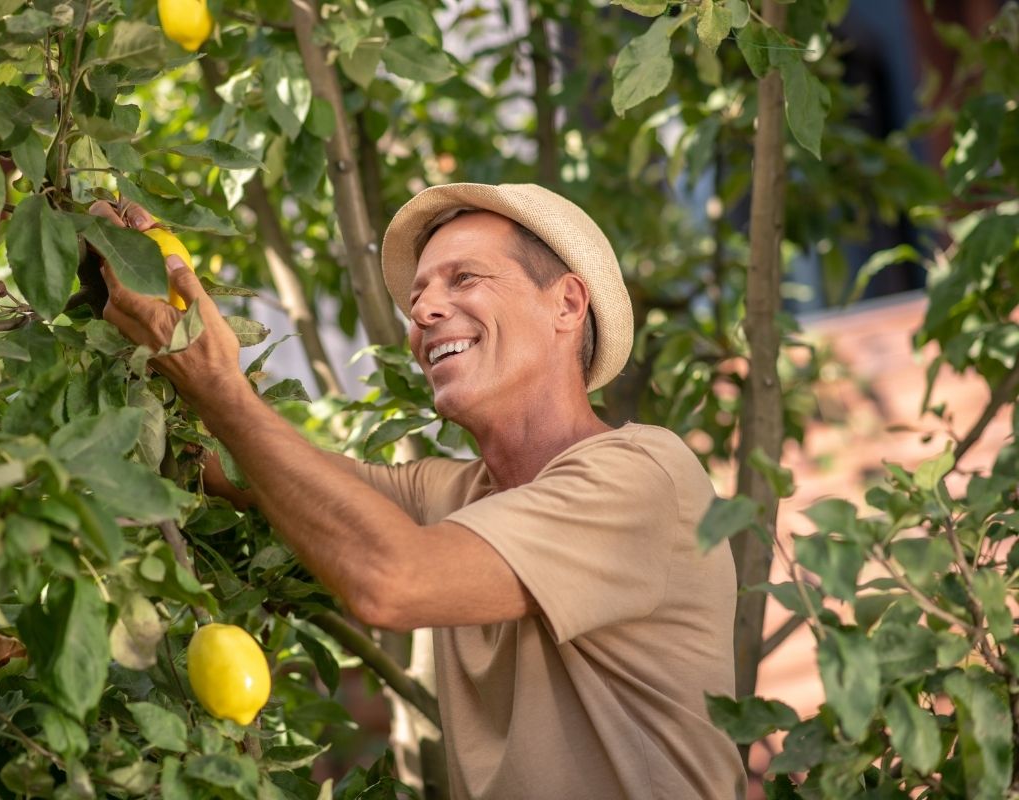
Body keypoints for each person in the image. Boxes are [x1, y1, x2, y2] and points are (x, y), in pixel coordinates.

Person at [93, 183, 747, 799]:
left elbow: (392, 579)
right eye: (418, 297)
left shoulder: (641, 477)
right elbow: (238, 469)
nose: (425, 311)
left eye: (464, 278)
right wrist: (126, 275)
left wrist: (220, 384)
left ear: (567, 304)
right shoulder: (459, 495)